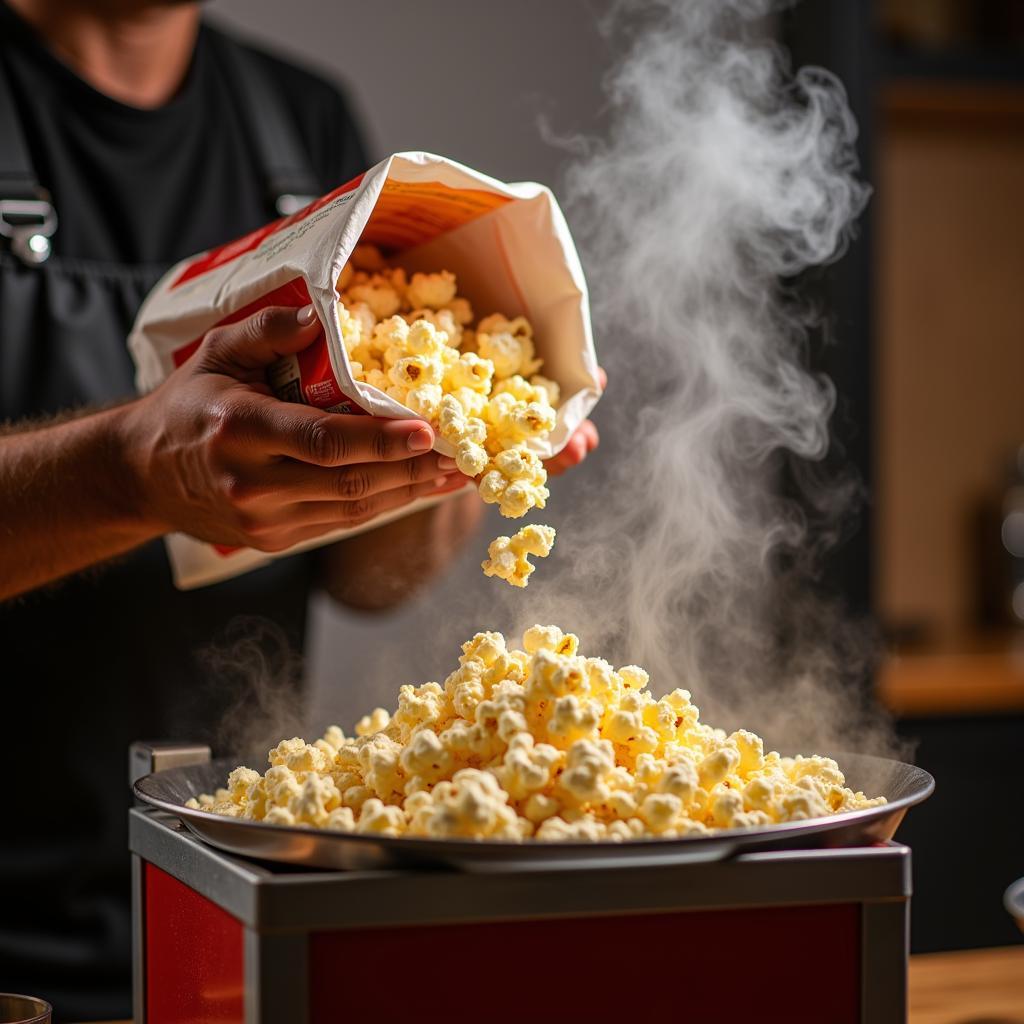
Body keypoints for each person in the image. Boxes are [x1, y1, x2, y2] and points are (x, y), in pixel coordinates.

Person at [0, 1, 600, 1018]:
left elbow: (370, 581)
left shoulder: (301, 122)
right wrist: (125, 471)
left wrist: (441, 445)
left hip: (237, 919)